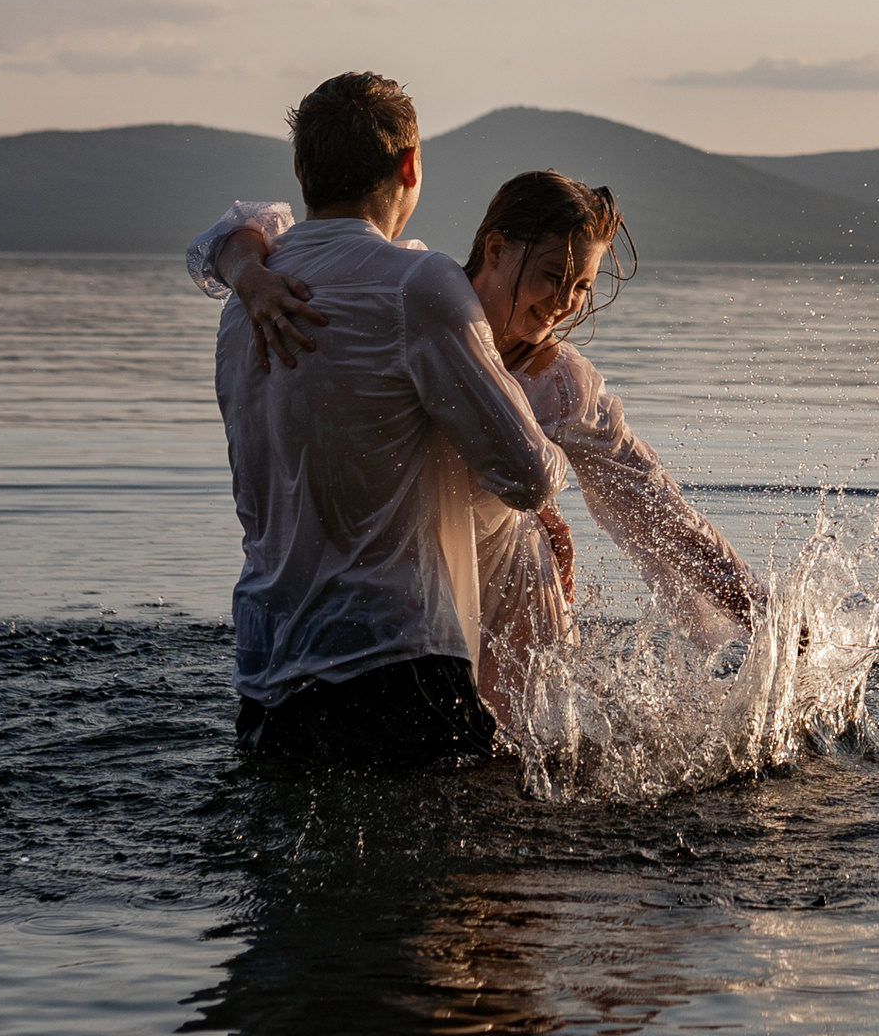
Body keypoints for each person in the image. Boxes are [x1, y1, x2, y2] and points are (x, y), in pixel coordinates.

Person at [190, 169, 765, 729]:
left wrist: (760, 611)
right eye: (550, 275)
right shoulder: (417, 293)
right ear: (494, 249)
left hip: (509, 612)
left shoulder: (561, 386)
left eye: (582, 286)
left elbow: (655, 504)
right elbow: (247, 227)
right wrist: (249, 276)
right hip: (409, 620)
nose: (564, 301)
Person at [207, 73, 568, 771]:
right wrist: (522, 379)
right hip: (398, 670)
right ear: (409, 164)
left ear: (301, 170)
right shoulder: (417, 282)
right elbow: (527, 474)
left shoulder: (242, 305)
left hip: (269, 677)